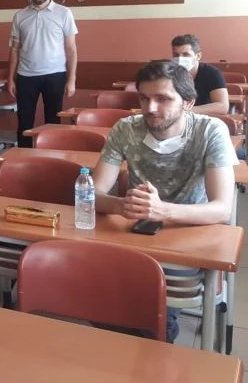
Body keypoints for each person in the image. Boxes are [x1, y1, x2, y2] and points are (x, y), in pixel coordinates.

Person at [92, 60, 236, 343]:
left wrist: (163, 210)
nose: (151, 108)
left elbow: (222, 209)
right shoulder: (126, 128)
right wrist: (121, 206)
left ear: (188, 103)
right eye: (144, 98)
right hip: (136, 233)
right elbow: (92, 194)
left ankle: (151, 349)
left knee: (150, 311)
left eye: (163, 99)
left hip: (190, 234)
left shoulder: (210, 131)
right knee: (95, 293)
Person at [7, 0, 78, 147]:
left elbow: (71, 49)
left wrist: (71, 79)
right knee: (24, 120)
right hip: (26, 75)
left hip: (55, 75)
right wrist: (10, 79)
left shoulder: (64, 13)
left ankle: (51, 155)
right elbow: (14, 49)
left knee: (53, 121)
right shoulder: (20, 16)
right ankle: (23, 155)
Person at [170, 34, 229, 115]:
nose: (180, 59)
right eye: (176, 55)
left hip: (204, 117)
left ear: (198, 56)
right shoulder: (168, 73)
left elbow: (222, 106)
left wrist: (185, 111)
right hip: (174, 118)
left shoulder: (212, 73)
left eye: (186, 55)